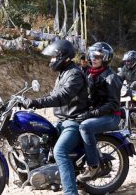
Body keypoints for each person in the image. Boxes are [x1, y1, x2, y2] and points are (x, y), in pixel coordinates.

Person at [21, 39, 89, 195]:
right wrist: (27, 101)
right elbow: (53, 95)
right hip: (62, 120)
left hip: (73, 121)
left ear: (63, 57)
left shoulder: (75, 74)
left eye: (53, 57)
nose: (51, 60)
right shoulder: (63, 74)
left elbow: (63, 97)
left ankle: (71, 192)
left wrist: (36, 103)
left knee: (59, 151)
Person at [75, 42, 122, 182]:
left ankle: (94, 167)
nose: (93, 59)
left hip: (111, 116)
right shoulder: (91, 74)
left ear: (105, 58)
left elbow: (113, 104)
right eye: (92, 56)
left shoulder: (111, 78)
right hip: (98, 114)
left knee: (85, 127)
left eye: (98, 56)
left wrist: (91, 113)